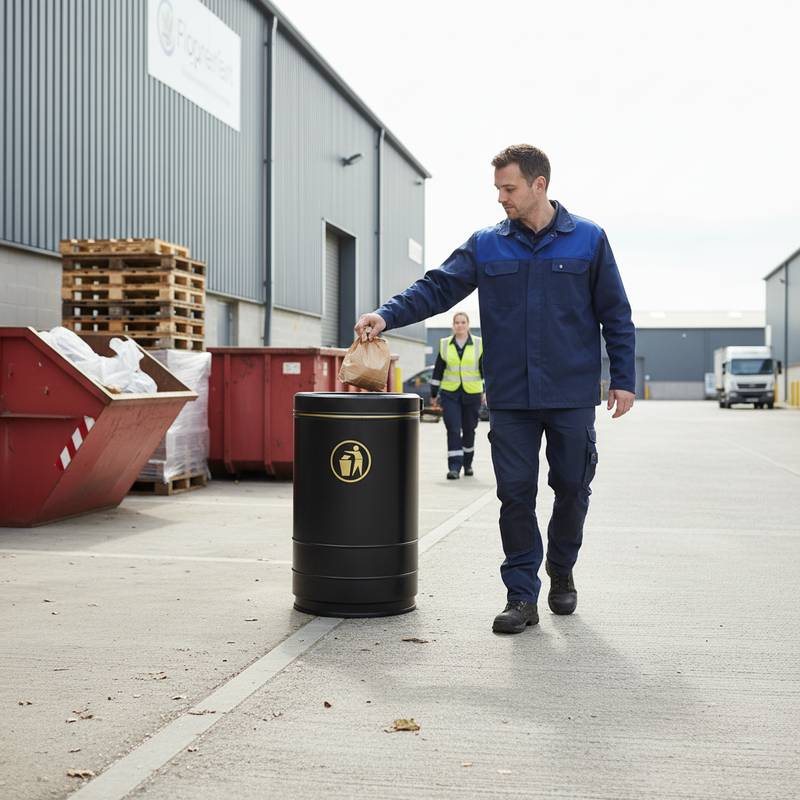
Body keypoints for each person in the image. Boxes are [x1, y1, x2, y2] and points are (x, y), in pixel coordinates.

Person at [355, 144, 635, 634]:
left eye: (509, 189)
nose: (501, 198)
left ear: (538, 185)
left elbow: (616, 313)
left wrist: (624, 380)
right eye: (497, 189)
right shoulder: (487, 244)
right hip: (510, 397)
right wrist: (386, 314)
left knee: (572, 487)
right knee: (515, 494)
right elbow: (437, 287)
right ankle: (521, 595)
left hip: (570, 394)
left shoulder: (588, 239)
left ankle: (562, 569)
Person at [430, 311, 485, 480]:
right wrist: (433, 394)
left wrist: (486, 391)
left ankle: (467, 463)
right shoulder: (445, 344)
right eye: (457, 322)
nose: (460, 325)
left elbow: (486, 371)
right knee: (453, 430)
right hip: (450, 394)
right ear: (453, 325)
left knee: (469, 430)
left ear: (468, 324)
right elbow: (438, 371)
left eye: (463, 322)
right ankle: (454, 467)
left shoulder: (478, 344)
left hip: (473, 393)